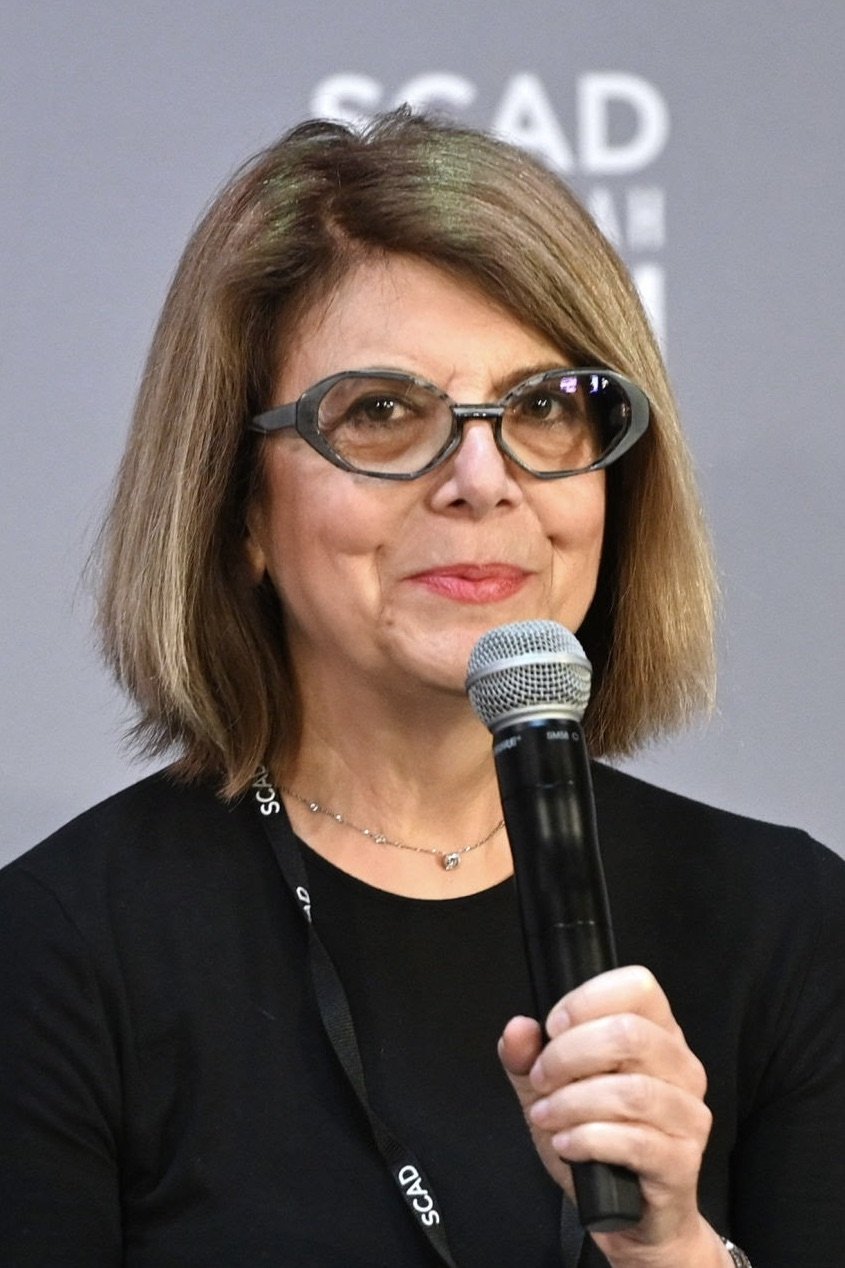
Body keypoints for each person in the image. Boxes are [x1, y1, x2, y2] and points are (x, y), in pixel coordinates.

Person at [0, 110, 842, 1268]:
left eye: (543, 403)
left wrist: (677, 1251)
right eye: (385, 413)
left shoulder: (784, 919)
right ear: (240, 506)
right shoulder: (59, 948)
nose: (482, 479)